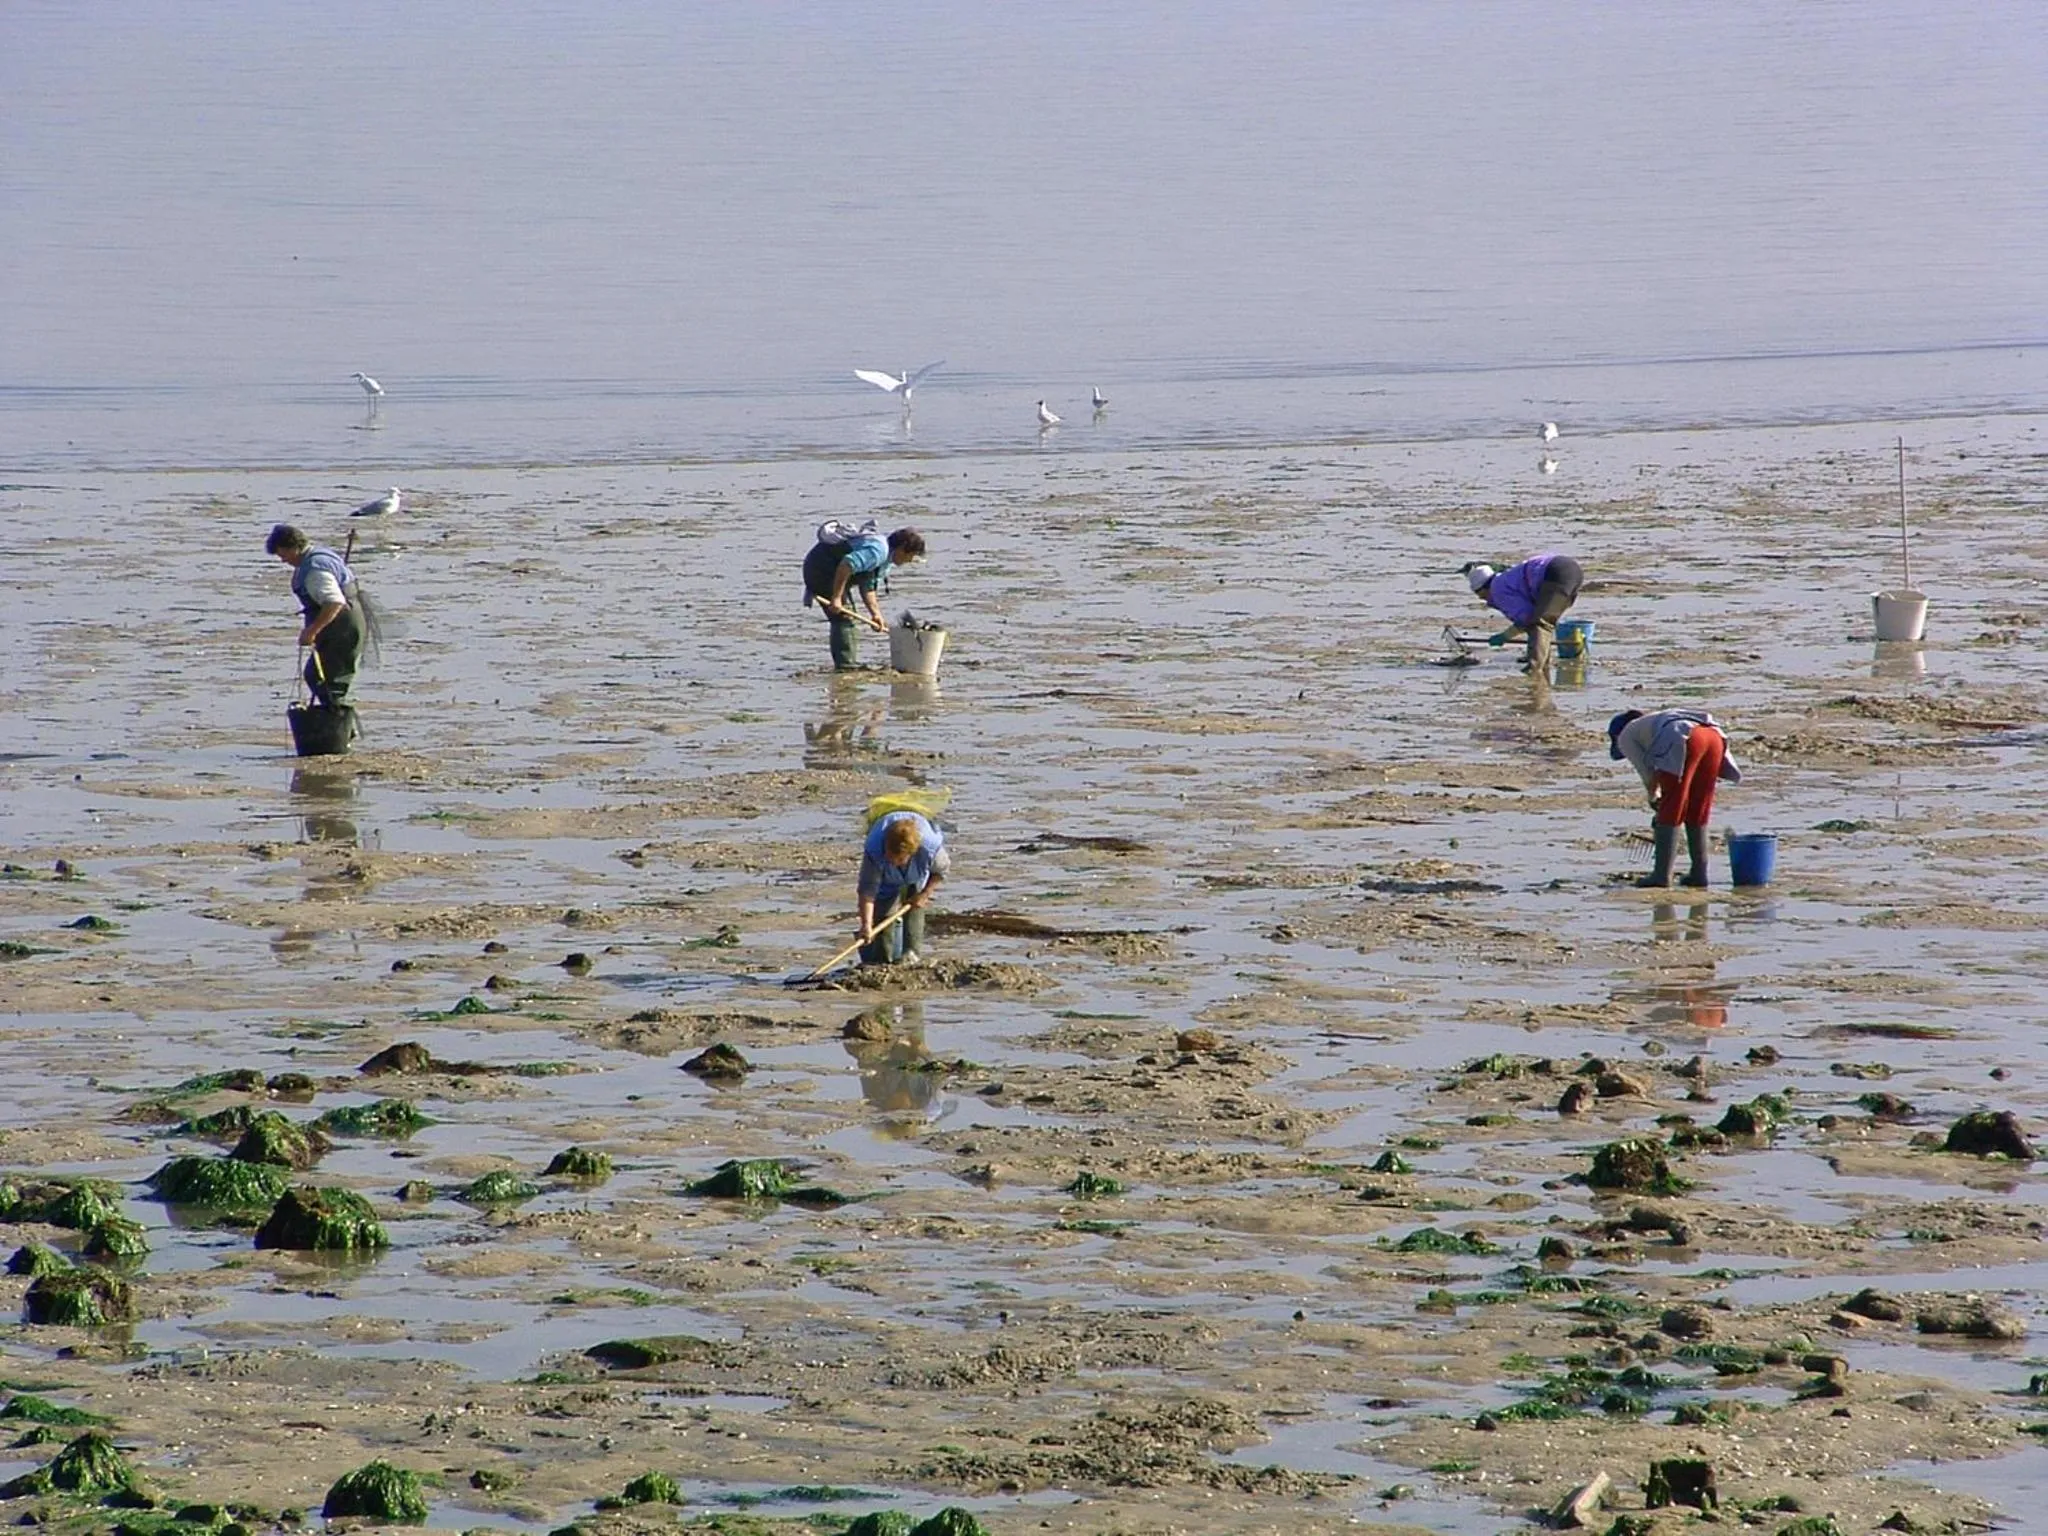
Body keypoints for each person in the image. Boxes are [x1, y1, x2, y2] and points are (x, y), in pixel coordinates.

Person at [1609, 709, 1743, 889]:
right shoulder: (1653, 724)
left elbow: (1648, 775)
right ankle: (1699, 874)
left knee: (1673, 805)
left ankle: (1661, 876)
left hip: (1684, 738)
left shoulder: (1625, 736)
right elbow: (1658, 772)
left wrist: (1654, 798)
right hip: (1713, 737)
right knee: (1698, 806)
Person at [802, 523, 927, 670]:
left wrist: (876, 615)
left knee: (848, 616)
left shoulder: (887, 559)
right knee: (844, 620)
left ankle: (846, 664)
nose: (910, 560)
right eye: (911, 556)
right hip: (821, 569)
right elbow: (847, 564)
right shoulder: (878, 551)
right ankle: (845, 667)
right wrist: (836, 597)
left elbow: (868, 586)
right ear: (902, 548)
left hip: (835, 572)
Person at [267, 524, 364, 708]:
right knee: (317, 676)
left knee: (329, 682)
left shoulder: (314, 570)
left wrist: (312, 631)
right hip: (342, 625)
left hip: (342, 628)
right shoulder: (320, 555)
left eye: (283, 555)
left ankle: (339, 730)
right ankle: (337, 725)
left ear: (293, 547)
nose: (283, 560)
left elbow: (334, 602)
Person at [1462, 554, 1583, 674]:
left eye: (1482, 596)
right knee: (1544, 620)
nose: (1486, 600)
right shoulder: (1505, 579)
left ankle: (1534, 669)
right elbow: (1529, 618)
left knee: (1540, 624)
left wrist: (1505, 636)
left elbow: (1525, 618)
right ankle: (1543, 663)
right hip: (1569, 569)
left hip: (1555, 573)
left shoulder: (1497, 590)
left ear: (1483, 589)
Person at [856, 809, 949, 965]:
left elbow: (941, 871)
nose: (892, 861)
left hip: (916, 873)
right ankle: (881, 961)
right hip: (886, 877)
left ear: (911, 854)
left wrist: (925, 894)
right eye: (889, 856)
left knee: (915, 905)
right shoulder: (875, 850)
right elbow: (867, 892)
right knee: (883, 913)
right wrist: (866, 925)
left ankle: (911, 956)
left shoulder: (929, 849)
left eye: (898, 859)